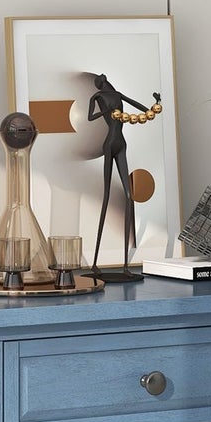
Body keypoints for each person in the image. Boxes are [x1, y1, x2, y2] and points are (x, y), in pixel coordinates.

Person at [86, 74, 160, 273]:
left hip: (121, 144)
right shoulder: (97, 97)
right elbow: (90, 117)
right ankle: (94, 263)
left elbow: (143, 111)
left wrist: (156, 104)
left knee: (129, 195)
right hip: (110, 143)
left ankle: (126, 265)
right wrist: (107, 112)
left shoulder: (117, 94)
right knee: (107, 195)